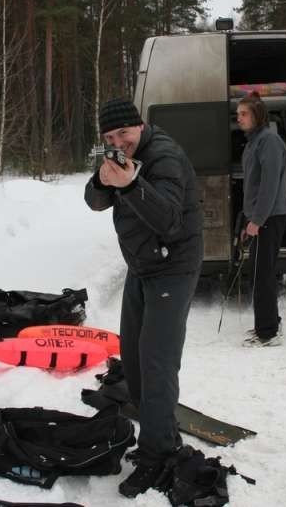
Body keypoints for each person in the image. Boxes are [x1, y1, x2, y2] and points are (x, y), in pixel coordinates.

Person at [84, 98, 203, 498]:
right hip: (142, 266)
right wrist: (103, 180)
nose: (120, 142)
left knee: (156, 363)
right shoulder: (118, 156)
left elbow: (169, 219)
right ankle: (157, 431)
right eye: (111, 138)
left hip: (173, 266)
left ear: (140, 125)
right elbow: (94, 201)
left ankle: (159, 453)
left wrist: (132, 184)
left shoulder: (164, 156)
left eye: (125, 134)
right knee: (133, 358)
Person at [236, 92, 286, 347]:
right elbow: (253, 185)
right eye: (238, 114)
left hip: (270, 216)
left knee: (262, 274)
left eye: (244, 114)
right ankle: (269, 323)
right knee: (261, 272)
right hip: (261, 216)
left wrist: (257, 220)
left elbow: (269, 185)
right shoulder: (253, 142)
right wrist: (247, 219)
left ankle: (267, 332)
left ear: (257, 115)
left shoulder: (268, 140)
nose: (239, 118)